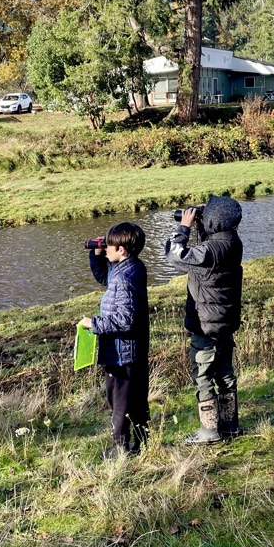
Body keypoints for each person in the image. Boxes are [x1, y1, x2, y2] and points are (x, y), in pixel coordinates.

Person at [165, 196, 243, 445]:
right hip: (224, 322)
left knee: (203, 375)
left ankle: (209, 432)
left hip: (205, 324)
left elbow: (175, 256)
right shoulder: (232, 242)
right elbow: (205, 255)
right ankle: (230, 425)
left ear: (213, 220)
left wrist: (184, 227)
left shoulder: (210, 250)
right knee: (225, 373)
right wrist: (203, 226)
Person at [79, 222, 150, 460]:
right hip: (134, 350)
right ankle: (143, 444)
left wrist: (94, 324)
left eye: (109, 245)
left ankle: (120, 450)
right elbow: (104, 277)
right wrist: (97, 252)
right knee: (136, 399)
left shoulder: (123, 279)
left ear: (121, 250)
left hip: (122, 352)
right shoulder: (133, 267)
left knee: (118, 402)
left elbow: (125, 320)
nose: (106, 247)